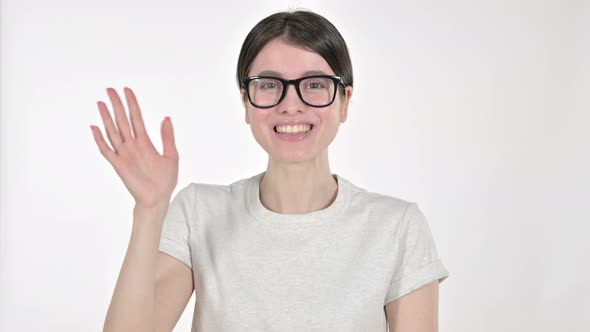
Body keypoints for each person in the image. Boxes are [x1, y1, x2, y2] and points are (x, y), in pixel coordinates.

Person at [91, 8, 450, 332]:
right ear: (246, 103)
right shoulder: (199, 212)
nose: (291, 105)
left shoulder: (397, 226)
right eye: (269, 85)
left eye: (314, 84)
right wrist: (150, 209)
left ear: (345, 102)